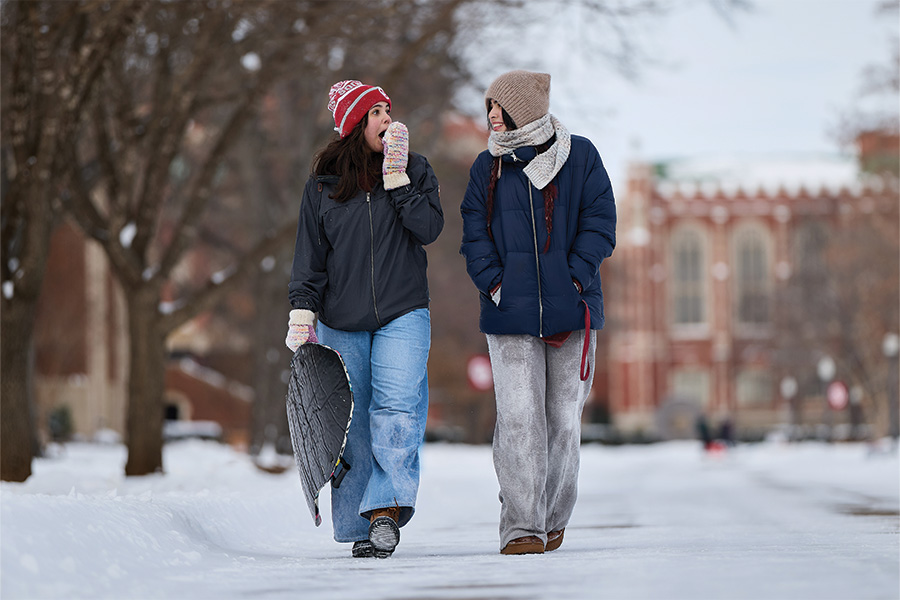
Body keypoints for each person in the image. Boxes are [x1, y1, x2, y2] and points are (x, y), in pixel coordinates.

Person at [460, 70, 616, 555]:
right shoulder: (487, 167)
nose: (491, 116)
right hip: (509, 314)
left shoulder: (581, 156)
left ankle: (552, 519)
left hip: (572, 310)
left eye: (498, 108)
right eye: (488, 107)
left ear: (522, 109)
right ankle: (522, 526)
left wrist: (574, 277)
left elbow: (600, 220)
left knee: (562, 419)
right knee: (520, 418)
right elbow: (473, 231)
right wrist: (496, 284)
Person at [286, 80, 443, 558]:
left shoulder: (415, 170)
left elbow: (429, 229)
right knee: (351, 426)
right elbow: (309, 259)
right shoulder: (323, 188)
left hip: (404, 312)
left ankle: (384, 513)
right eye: (376, 112)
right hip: (341, 320)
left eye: (388, 110)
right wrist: (301, 312)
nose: (388, 119)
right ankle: (358, 526)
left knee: (397, 411)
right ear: (355, 125)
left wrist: (399, 181)